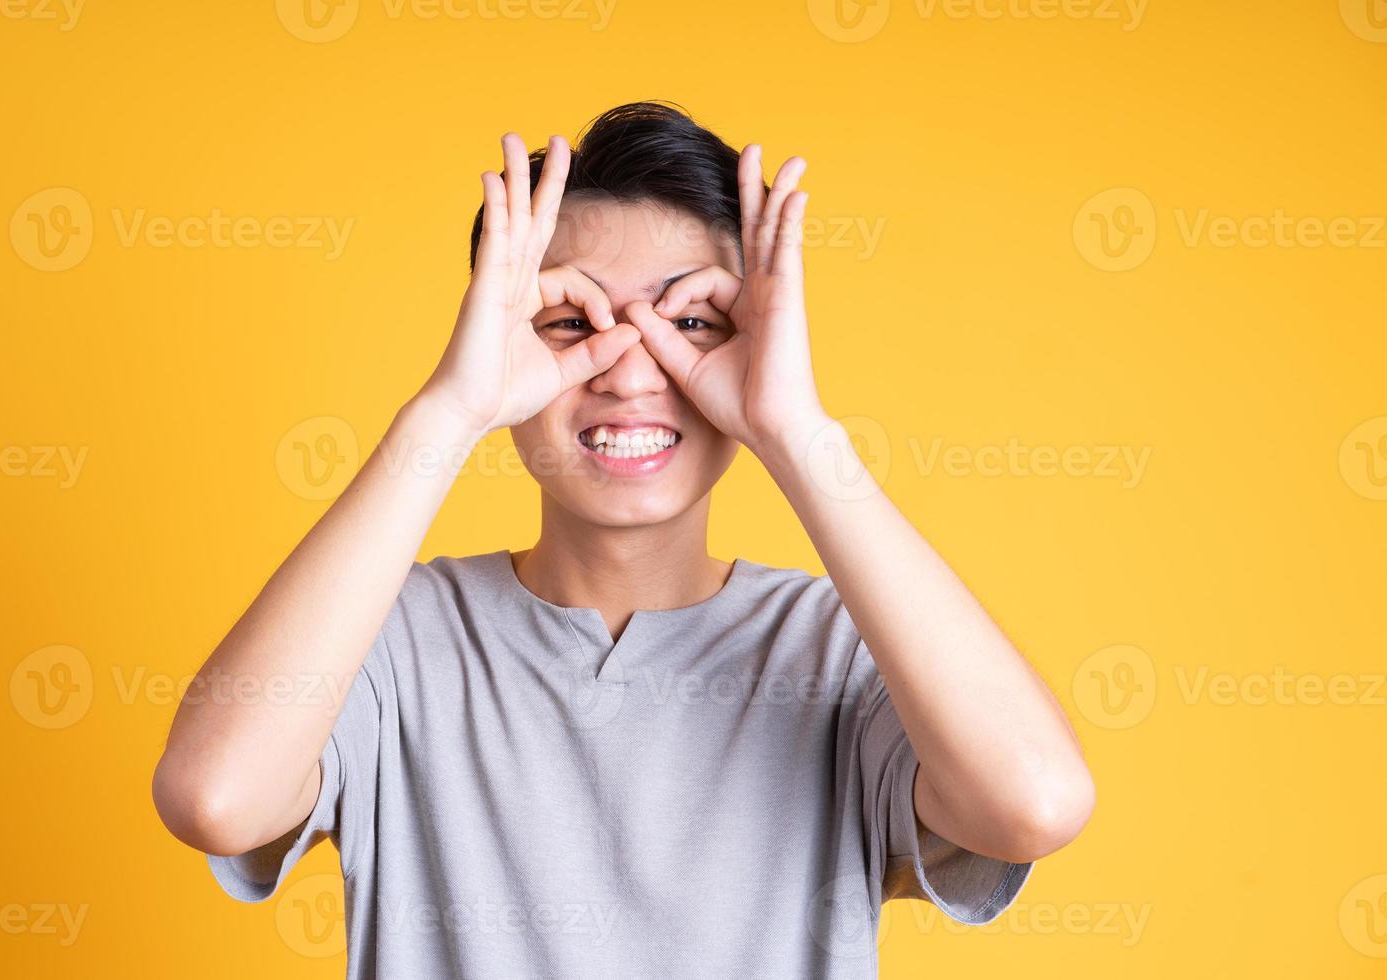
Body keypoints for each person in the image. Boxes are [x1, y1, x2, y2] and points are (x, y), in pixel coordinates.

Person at [151, 101, 1095, 978]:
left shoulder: (840, 650)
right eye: (572, 322)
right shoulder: (388, 639)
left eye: (692, 323)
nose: (633, 373)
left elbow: (1035, 804)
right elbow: (215, 800)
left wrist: (798, 433)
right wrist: (447, 412)